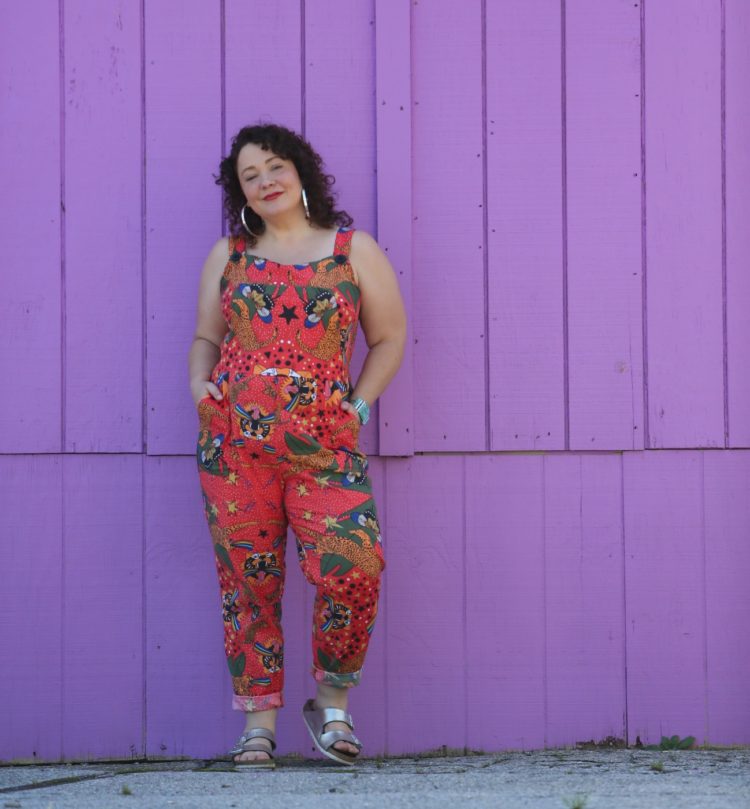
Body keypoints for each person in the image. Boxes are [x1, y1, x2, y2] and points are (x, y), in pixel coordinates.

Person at [188, 122, 407, 768]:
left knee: (353, 566)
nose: (265, 181)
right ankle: (258, 723)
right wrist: (199, 384)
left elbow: (390, 337)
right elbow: (206, 336)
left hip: (325, 447)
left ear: (301, 170)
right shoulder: (227, 254)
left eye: (275, 166)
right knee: (248, 583)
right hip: (234, 450)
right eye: (250, 176)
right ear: (241, 192)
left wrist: (359, 404)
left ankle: (331, 705)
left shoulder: (351, 249)